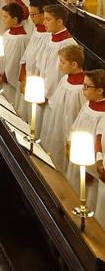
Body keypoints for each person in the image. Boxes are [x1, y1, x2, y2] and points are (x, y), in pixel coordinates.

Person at [38, 44, 85, 172]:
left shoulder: (81, 89)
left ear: (74, 65)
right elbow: (55, 103)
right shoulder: (65, 79)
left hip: (68, 132)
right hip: (56, 126)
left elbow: (79, 116)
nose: (59, 65)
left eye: (63, 62)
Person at [66, 70, 105, 212]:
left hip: (89, 164)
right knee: (72, 189)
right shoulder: (87, 104)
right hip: (77, 154)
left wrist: (91, 167)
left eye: (87, 87)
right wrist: (70, 142)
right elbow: (76, 125)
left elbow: (99, 143)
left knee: (86, 196)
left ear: (100, 90)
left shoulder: (103, 115)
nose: (83, 90)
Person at [17, 0, 52, 119]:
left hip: (38, 85)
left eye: (33, 14)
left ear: (43, 14)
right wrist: (23, 79)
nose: (30, 17)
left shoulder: (50, 36)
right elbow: (26, 56)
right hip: (28, 80)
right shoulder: (36, 30)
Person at [39, 3, 74, 102]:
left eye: (48, 19)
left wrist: (46, 94)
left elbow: (58, 74)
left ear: (59, 22)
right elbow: (42, 65)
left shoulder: (69, 45)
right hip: (42, 90)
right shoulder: (49, 37)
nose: (44, 22)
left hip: (55, 96)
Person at [0, 3, 28, 105]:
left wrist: (5, 76)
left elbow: (14, 61)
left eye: (6, 17)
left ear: (15, 19)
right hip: (3, 76)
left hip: (10, 81)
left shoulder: (21, 38)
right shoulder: (7, 33)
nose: (3, 19)